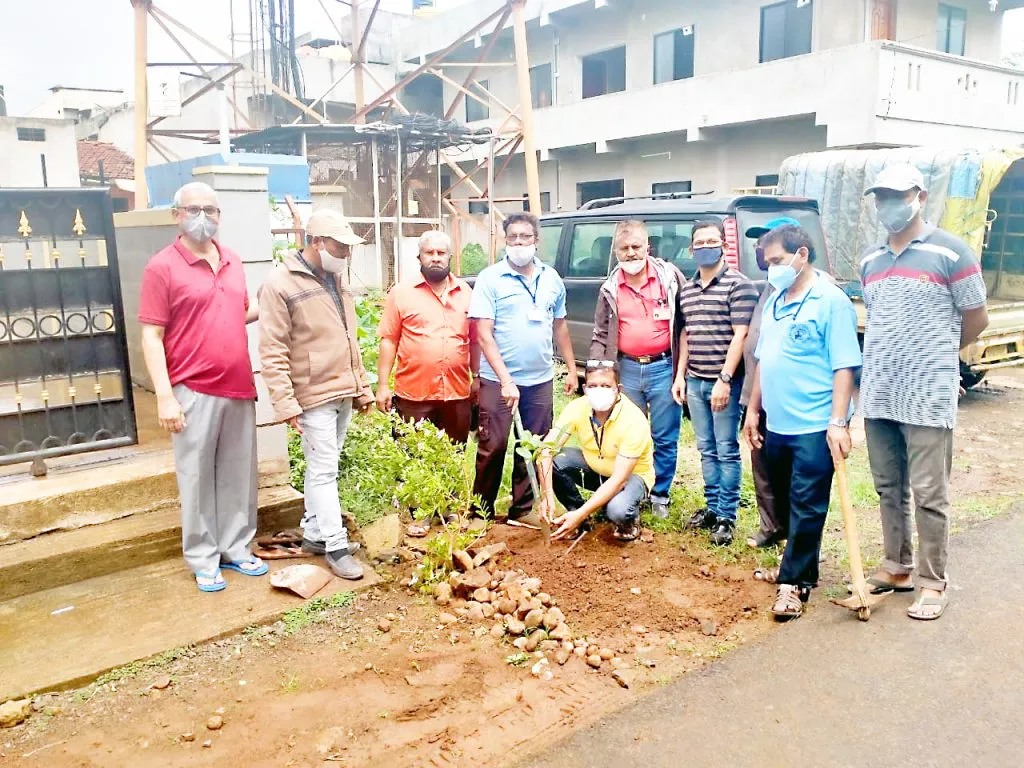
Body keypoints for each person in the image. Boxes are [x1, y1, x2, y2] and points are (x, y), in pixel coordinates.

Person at [859, 164, 988, 621]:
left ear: (920, 196)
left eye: (897, 195)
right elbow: (879, 319)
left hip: (927, 393)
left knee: (929, 493)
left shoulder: (951, 251)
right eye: (881, 197)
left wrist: (937, 358)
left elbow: (976, 317)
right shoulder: (871, 261)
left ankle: (933, 582)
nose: (888, 205)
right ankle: (897, 567)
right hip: (879, 391)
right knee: (887, 487)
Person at [139, 182, 264, 593]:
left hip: (238, 386)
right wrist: (165, 396)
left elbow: (240, 311)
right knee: (196, 479)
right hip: (192, 388)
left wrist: (278, 295)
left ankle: (236, 547)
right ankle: (203, 558)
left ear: (219, 216)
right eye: (193, 209)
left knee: (237, 475)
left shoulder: (232, 260)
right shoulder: (162, 267)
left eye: (210, 210)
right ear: (176, 215)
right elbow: (151, 336)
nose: (203, 217)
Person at [743, 225, 862, 619]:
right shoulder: (776, 300)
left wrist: (837, 422)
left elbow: (844, 365)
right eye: (767, 263)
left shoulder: (831, 302)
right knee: (786, 503)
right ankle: (800, 572)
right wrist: (754, 410)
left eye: (777, 260)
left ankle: (791, 585)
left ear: (802, 255)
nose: (772, 269)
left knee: (808, 504)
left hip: (814, 424)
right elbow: (763, 360)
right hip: (777, 423)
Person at [259, 209, 375, 581]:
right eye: (340, 246)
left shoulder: (335, 278)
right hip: (312, 395)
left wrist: (362, 388)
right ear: (318, 242)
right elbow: (272, 349)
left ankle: (313, 533)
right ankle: (335, 547)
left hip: (341, 389)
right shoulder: (280, 283)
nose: (346, 253)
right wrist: (285, 404)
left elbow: (350, 339)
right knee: (324, 472)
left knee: (323, 467)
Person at [469, 213, 577, 518]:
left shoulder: (551, 278)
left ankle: (522, 508)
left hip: (539, 380)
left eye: (525, 236)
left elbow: (560, 325)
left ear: (536, 240)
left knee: (533, 446)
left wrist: (571, 368)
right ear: (506, 241)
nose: (519, 242)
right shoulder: (490, 278)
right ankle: (480, 511)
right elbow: (484, 334)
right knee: (493, 444)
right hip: (497, 380)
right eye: (513, 237)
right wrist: (506, 380)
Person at [671, 219, 758, 546]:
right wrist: (681, 376)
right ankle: (711, 507)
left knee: (726, 449)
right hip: (695, 381)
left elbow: (741, 334)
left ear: (724, 245)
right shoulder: (687, 289)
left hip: (725, 384)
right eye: (700, 243)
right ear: (691, 249)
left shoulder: (739, 285)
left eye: (712, 241)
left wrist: (724, 378)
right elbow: (685, 334)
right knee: (706, 448)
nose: (706, 247)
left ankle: (726, 516)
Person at [590, 220, 685, 519]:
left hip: (664, 367)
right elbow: (600, 334)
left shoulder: (669, 278)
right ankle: (631, 489)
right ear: (615, 251)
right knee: (626, 433)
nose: (631, 253)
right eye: (624, 248)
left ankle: (660, 494)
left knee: (665, 436)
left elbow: (685, 325)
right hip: (627, 369)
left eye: (636, 246)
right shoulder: (609, 288)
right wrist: (598, 375)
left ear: (647, 247)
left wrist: (682, 372)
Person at [376, 230, 479, 445]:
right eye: (429, 252)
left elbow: (475, 341)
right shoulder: (401, 293)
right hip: (413, 395)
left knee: (454, 455)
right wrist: (383, 385)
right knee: (411, 456)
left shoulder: (466, 293)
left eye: (441, 253)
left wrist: (477, 377)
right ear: (419, 257)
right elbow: (389, 340)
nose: (435, 258)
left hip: (457, 395)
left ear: (450, 257)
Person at [536, 361, 655, 542]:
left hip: (630, 476)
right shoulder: (577, 408)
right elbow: (546, 450)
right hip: (595, 469)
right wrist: (547, 495)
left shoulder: (633, 420)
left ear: (618, 389)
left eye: (606, 386)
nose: (599, 391)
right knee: (555, 461)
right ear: (585, 388)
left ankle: (628, 521)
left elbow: (619, 479)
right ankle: (577, 514)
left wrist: (582, 513)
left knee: (617, 510)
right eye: (593, 386)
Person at [740, 217, 801, 548]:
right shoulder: (767, 288)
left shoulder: (807, 292)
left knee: (790, 470)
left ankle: (796, 536)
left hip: (788, 399)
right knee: (761, 464)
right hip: (756, 393)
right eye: (758, 243)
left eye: (765, 243)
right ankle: (771, 525)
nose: (760, 249)